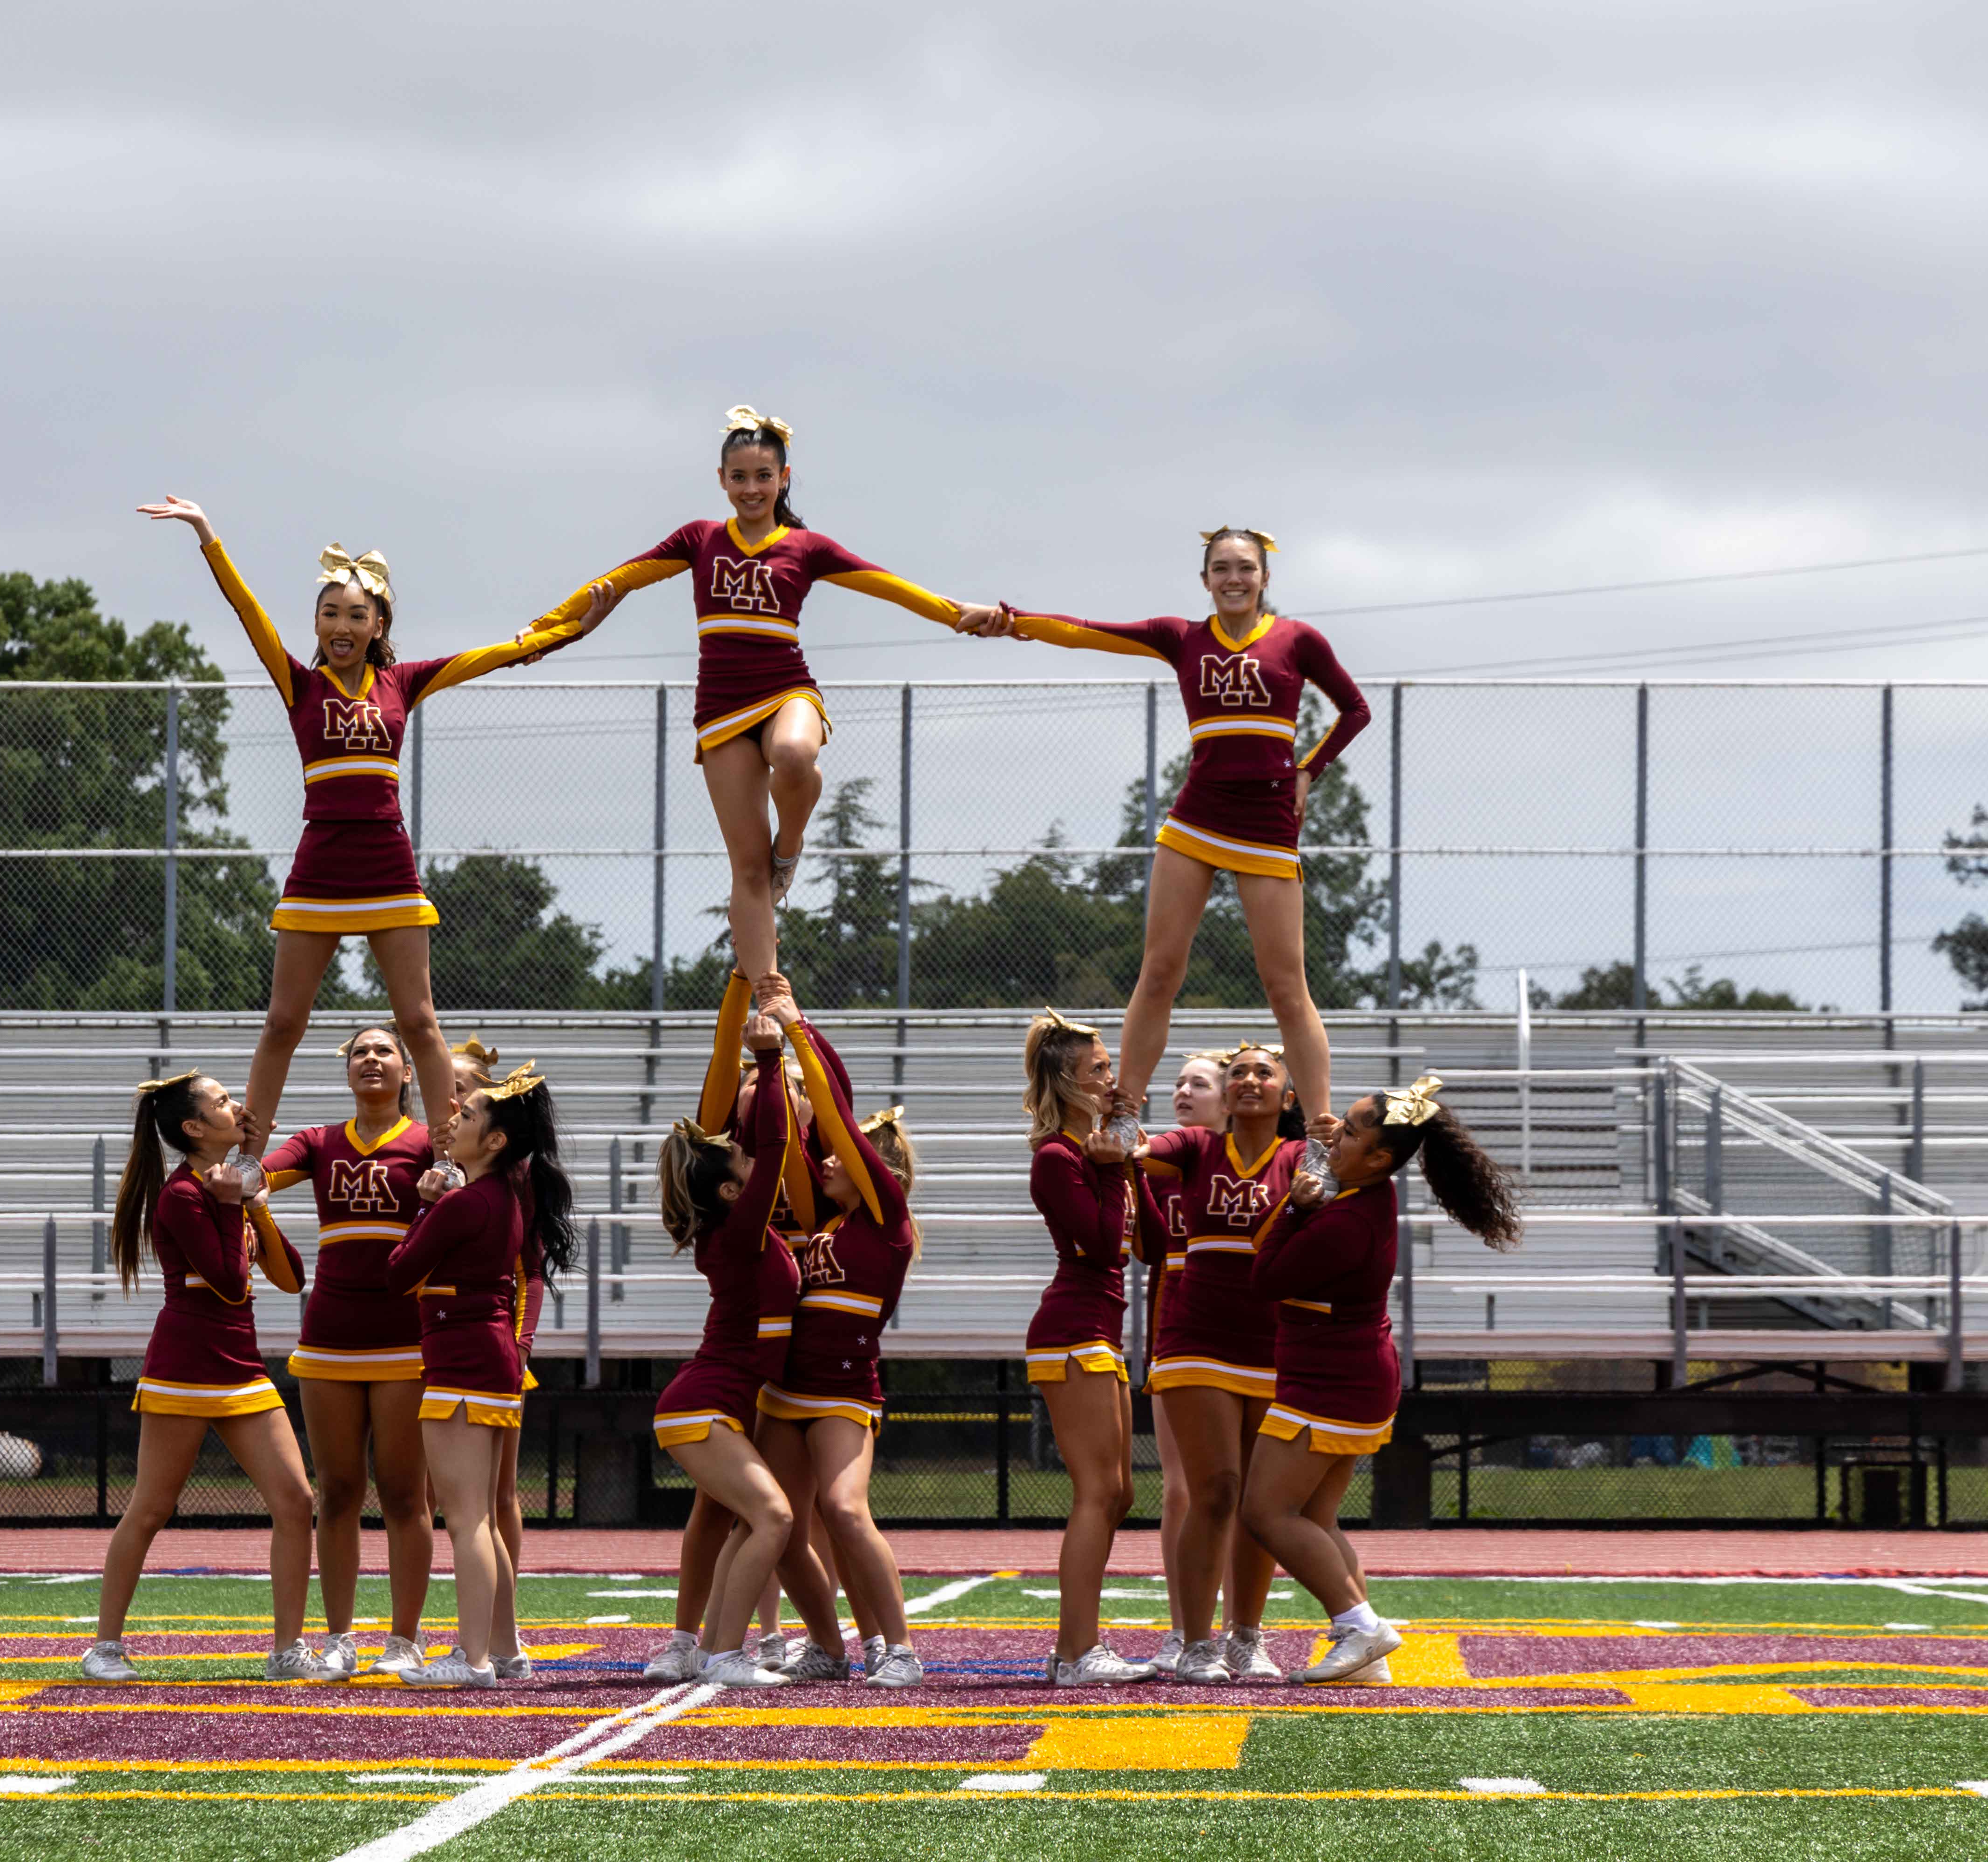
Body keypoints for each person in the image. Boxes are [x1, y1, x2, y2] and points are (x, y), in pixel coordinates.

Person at [139, 496, 626, 1144]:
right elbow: (247, 612)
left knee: (421, 1023)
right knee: (284, 1022)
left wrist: (567, 631)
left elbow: (494, 655)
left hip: (388, 865)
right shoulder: (299, 686)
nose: (341, 625)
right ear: (317, 624)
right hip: (320, 864)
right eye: (330, 613)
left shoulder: (404, 682)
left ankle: (448, 1154)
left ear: (378, 624)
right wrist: (208, 535)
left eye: (356, 615)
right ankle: (251, 1155)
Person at [529, 407, 1001, 981]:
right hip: (721, 706)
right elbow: (622, 578)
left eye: (763, 476)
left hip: (785, 687)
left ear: (784, 478)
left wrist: (957, 615)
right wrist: (552, 628)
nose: (751, 488)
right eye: (739, 477)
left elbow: (888, 584)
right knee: (748, 873)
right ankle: (770, 990)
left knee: (796, 755)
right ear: (722, 480)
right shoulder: (698, 539)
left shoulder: (807, 547)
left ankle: (792, 842)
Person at [984, 530, 1369, 1143]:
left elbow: (1355, 709)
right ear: (1205, 580)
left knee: (1285, 986)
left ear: (1264, 578)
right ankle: (1126, 1111)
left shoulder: (1298, 640)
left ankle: (1321, 1132)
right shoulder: (1181, 636)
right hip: (1196, 818)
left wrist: (1308, 771)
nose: (1233, 578)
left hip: (1267, 827)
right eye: (1221, 568)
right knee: (1160, 970)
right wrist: (1014, 622)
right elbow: (1087, 631)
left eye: (1245, 568)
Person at [1240, 1077, 1521, 1683]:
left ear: (1379, 1159)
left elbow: (1264, 1278)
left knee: (1264, 1512)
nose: (1335, 1134)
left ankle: (1360, 1625)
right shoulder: (1362, 1198)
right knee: (1314, 1520)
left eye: (1351, 1130)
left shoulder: (1348, 1220)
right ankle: (1362, 1657)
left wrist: (1294, 1206)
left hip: (1331, 1381)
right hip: (1351, 1375)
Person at [83, 1072, 328, 1683]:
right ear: (194, 1128)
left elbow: (292, 1279)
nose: (237, 1106)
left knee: (297, 1501)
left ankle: (287, 1649)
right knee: (151, 1508)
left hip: (240, 1364)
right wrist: (228, 1206)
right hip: (184, 1367)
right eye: (221, 1101)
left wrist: (257, 1207)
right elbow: (225, 1279)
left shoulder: (228, 1189)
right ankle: (104, 1649)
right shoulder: (184, 1195)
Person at [650, 1005, 850, 1687]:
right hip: (706, 1405)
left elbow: (774, 1147)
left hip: (724, 1403)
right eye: (739, 1163)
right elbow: (770, 1149)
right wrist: (768, 1058)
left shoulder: (738, 1231)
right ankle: (722, 1654)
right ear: (735, 1190)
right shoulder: (739, 1231)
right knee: (774, 1517)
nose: (747, 1150)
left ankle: (714, 1647)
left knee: (749, 1519)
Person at [749, 975, 924, 1687]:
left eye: (841, 1156)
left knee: (845, 1511)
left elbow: (839, 1115)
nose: (826, 1157)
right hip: (787, 1387)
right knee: (779, 1523)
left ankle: (901, 1648)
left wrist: (799, 1026)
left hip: (847, 1388)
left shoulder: (888, 1223)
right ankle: (828, 1646)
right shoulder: (824, 1222)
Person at [383, 1064, 577, 1688]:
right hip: (486, 1355)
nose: (456, 1119)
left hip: (463, 1357)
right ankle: (497, 1647)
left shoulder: (467, 1201)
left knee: (466, 1519)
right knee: (484, 1519)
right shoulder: (505, 1197)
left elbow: (397, 1272)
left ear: (495, 1140)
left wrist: (425, 1206)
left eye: (468, 1116)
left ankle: (472, 1660)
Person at [263, 1026, 433, 1680]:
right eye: (360, 1052)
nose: (371, 1059)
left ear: (407, 1072)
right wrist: (245, 1148)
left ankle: (405, 1640)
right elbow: (254, 1180)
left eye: (384, 1051)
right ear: (347, 1072)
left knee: (404, 1496)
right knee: (335, 1493)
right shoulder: (319, 1141)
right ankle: (339, 1638)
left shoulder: (427, 1146)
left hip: (404, 1340)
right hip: (329, 1337)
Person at [1140, 1043, 1304, 1685]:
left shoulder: (1298, 1158)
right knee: (1215, 1491)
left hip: (1270, 1346)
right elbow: (1134, 1154)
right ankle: (1197, 1641)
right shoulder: (1196, 1148)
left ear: (1288, 1096)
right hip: (1196, 1341)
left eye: (1265, 1072)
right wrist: (1120, 1125)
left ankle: (1246, 1637)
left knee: (1261, 1501)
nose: (1250, 1080)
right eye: (1238, 1073)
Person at [1019, 1010, 1154, 1686]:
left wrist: (1134, 1158)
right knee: (1098, 1491)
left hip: (1099, 1327)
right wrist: (1108, 1167)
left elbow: (1153, 1243)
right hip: (1072, 1330)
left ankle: (1075, 1646)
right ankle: (1076, 1652)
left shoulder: (1099, 1152)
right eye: (1098, 1070)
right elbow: (1101, 1245)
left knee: (1120, 1492)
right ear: (1067, 1083)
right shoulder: (1056, 1158)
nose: (1113, 1079)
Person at [451, 1034, 544, 1680]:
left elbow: (532, 1270)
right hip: (445, 1345)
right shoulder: (433, 1158)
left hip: (488, 1350)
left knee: (489, 1503)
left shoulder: (505, 1176)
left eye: (463, 1092)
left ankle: (490, 1641)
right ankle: (494, 1641)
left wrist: (522, 1342)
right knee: (460, 1502)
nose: (451, 1100)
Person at [1140, 1051, 1220, 1673]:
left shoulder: (1270, 1166)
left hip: (1248, 1342)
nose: (1184, 1091)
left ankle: (1245, 1629)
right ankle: (1182, 1627)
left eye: (1199, 1082)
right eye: (1179, 1082)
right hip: (1178, 1337)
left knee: (1243, 1494)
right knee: (1180, 1491)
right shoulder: (1160, 1171)